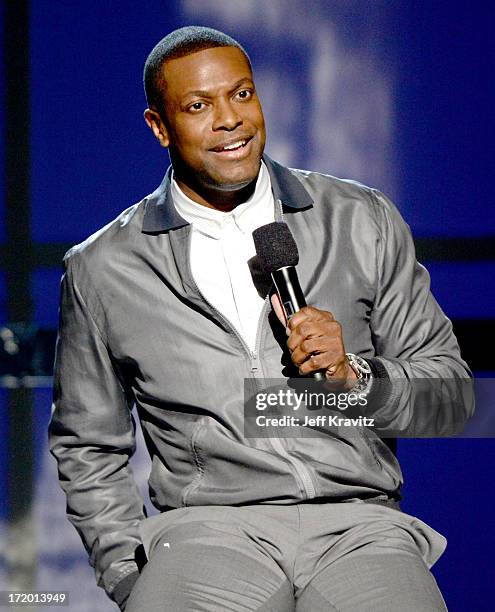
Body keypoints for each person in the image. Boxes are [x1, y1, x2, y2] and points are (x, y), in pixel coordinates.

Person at [49, 26, 472, 611]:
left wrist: (358, 378)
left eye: (242, 94)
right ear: (159, 126)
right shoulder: (104, 268)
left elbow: (451, 398)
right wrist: (126, 572)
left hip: (358, 526)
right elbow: (87, 442)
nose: (230, 121)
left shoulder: (361, 220)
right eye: (199, 106)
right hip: (207, 531)